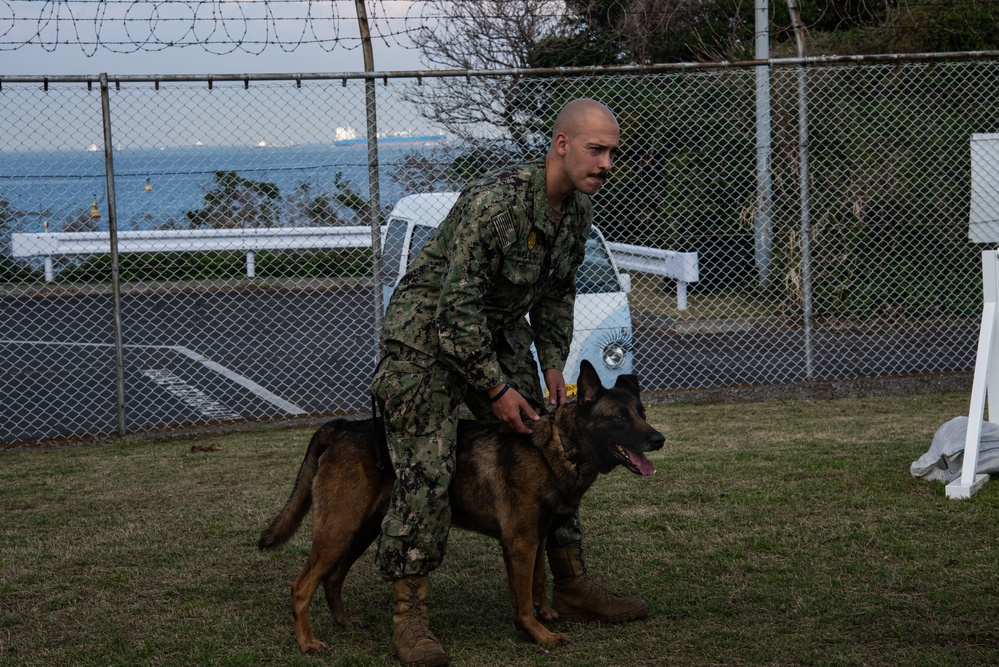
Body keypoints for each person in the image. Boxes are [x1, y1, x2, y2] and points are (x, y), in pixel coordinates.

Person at [372, 98, 647, 667]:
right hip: (425, 342)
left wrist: (551, 363)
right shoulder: (496, 203)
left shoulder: (576, 214)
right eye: (596, 150)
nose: (606, 163)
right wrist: (497, 391)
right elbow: (456, 309)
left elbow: (555, 296)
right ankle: (410, 617)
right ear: (562, 145)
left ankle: (569, 587)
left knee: (558, 443)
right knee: (428, 465)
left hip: (494, 338)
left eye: (612, 152)